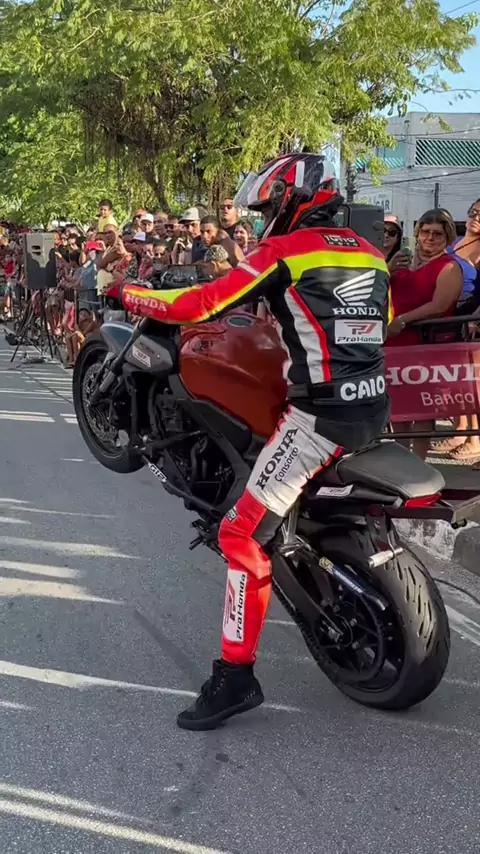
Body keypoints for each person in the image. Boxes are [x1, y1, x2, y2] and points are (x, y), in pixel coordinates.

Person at [122, 152, 391, 731]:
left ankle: (235, 677)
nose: (266, 219)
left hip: (319, 419)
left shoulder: (286, 251)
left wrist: (133, 295)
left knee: (239, 533)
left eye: (269, 208)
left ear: (294, 202)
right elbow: (376, 323)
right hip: (373, 408)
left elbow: (199, 304)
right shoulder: (371, 253)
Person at [386, 208, 463, 458]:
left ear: (447, 237)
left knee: (422, 411)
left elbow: (440, 305)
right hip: (394, 343)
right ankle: (401, 465)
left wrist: (402, 321)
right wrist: (387, 268)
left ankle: (418, 465)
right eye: (425, 232)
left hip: (424, 345)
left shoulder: (449, 266)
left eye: (437, 233)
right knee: (397, 410)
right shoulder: (401, 262)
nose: (430, 238)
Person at [433, 200, 480, 461]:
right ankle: (460, 431)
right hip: (449, 321)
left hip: (471, 321)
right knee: (455, 382)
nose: (475, 217)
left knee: (473, 385)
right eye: (473, 212)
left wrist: (475, 319)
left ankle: (475, 439)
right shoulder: (457, 242)